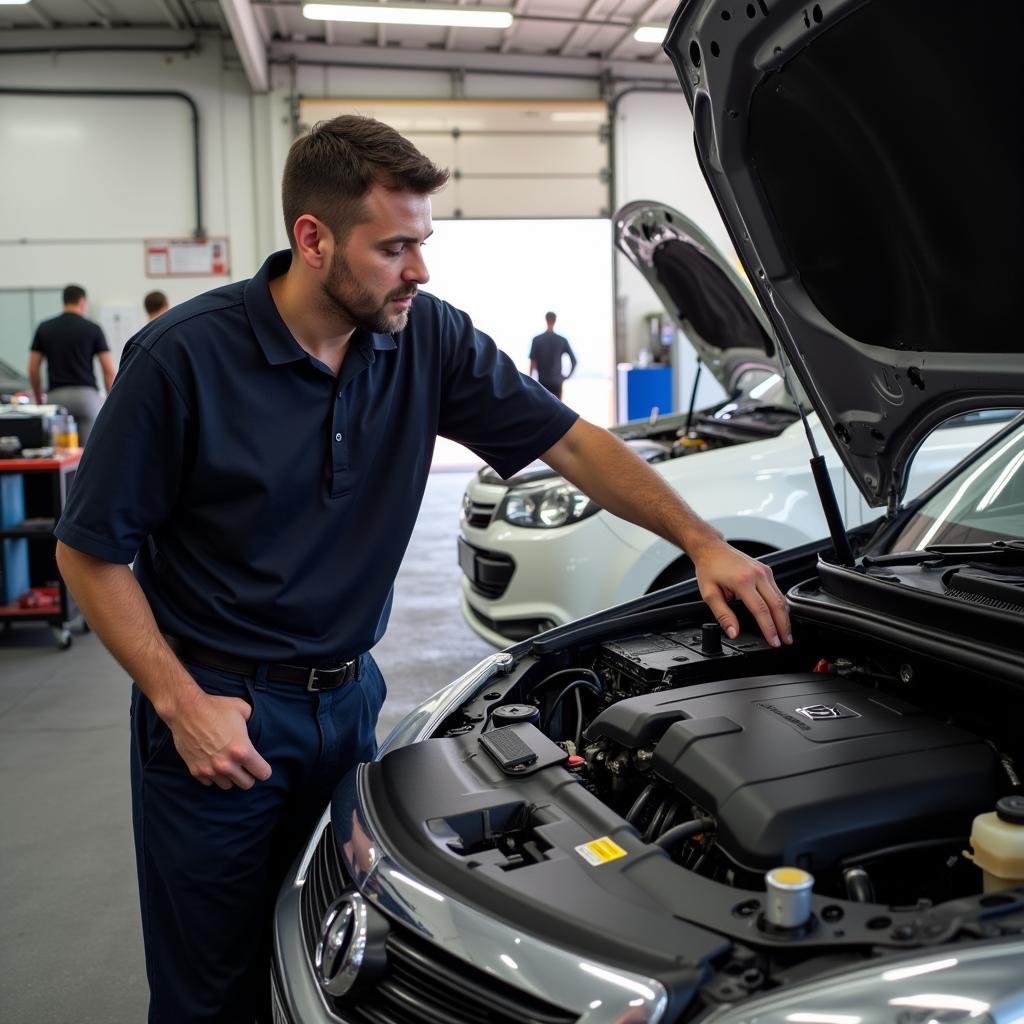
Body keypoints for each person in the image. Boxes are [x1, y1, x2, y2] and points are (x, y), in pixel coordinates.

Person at [54, 115, 791, 1023]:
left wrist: (702, 540)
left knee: (332, 954)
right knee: (213, 991)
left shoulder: (427, 338)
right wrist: (181, 706)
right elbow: (89, 552)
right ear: (313, 239)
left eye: (424, 243)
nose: (420, 270)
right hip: (221, 715)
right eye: (395, 246)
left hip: (350, 703)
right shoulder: (183, 360)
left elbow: (572, 443)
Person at [28, 284, 115, 445]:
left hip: (56, 398)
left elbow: (33, 369)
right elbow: (108, 370)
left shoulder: (45, 327)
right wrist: (111, 401)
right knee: (88, 454)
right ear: (82, 302)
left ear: (64, 301)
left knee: (58, 455)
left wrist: (39, 397)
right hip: (86, 398)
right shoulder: (93, 328)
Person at [529, 310, 577, 398]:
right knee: (557, 409)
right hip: (557, 382)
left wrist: (530, 383)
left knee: (543, 409)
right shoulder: (562, 340)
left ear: (546, 320)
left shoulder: (537, 340)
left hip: (542, 383)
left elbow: (533, 363)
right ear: (555, 320)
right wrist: (566, 377)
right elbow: (574, 361)